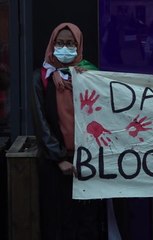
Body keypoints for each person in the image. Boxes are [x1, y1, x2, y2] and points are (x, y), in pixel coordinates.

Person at [30, 22, 104, 240]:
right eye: (60, 43)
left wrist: (89, 81)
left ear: (79, 45)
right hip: (57, 164)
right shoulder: (41, 78)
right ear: (52, 45)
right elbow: (41, 122)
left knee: (88, 221)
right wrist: (59, 157)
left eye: (70, 44)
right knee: (61, 221)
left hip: (86, 161)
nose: (65, 48)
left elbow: (103, 114)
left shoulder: (90, 74)